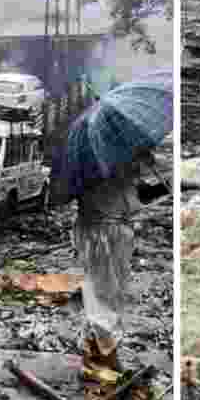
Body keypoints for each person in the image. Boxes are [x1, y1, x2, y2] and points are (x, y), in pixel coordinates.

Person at [75, 146, 155, 372]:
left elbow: (132, 200)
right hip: (104, 235)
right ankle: (103, 356)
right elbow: (130, 202)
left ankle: (96, 354)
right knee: (104, 297)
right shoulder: (106, 168)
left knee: (103, 295)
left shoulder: (103, 165)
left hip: (103, 232)